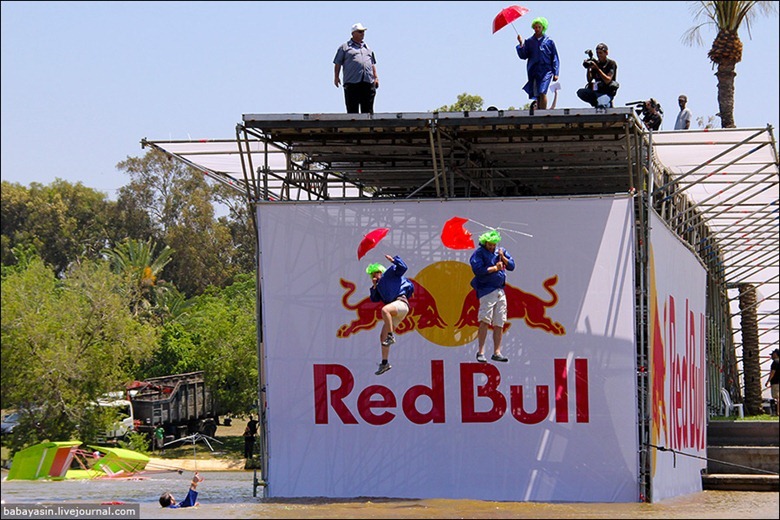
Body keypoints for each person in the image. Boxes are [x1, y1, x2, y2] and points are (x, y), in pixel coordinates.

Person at [469, 230, 516, 363]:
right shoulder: (479, 253)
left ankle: (497, 351)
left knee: (499, 321)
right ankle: (481, 351)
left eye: (494, 245)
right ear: (485, 243)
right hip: (487, 290)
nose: (492, 247)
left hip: (500, 290)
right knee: (485, 320)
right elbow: (478, 270)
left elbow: (512, 266)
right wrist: (495, 268)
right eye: (489, 244)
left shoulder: (500, 252)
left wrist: (503, 257)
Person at [367, 254, 415, 375]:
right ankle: (384, 363)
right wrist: (374, 286)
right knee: (382, 337)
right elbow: (374, 299)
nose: (374, 276)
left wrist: (394, 260)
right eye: (372, 275)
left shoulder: (389, 274)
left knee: (385, 310)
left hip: (401, 304)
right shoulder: (378, 287)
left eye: (376, 273)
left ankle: (390, 336)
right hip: (396, 312)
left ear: (380, 272)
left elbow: (403, 267)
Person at [333, 22, 379, 114]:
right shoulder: (345, 47)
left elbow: (372, 63)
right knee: (352, 108)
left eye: (363, 32)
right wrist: (336, 77)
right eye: (360, 32)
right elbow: (338, 63)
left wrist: (376, 77)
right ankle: (354, 127)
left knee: (368, 109)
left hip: (367, 81)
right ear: (353, 33)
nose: (362, 34)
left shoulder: (367, 48)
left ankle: (368, 127)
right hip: (352, 82)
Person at [515, 17, 560, 110]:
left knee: (543, 91)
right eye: (535, 27)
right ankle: (539, 111)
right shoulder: (529, 41)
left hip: (546, 70)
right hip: (534, 70)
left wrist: (556, 72)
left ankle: (543, 112)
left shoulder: (549, 41)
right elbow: (523, 55)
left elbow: (554, 57)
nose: (537, 29)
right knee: (537, 93)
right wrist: (520, 44)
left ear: (543, 28)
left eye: (539, 27)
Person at [576, 43, 618, 108]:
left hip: (606, 92)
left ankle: (605, 103)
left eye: (600, 53)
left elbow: (608, 80)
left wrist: (597, 68)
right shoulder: (596, 63)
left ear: (606, 53)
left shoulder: (611, 63)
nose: (599, 55)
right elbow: (589, 80)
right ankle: (596, 103)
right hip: (597, 91)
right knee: (581, 92)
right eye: (597, 53)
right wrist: (589, 68)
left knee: (603, 104)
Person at [766, 348, 780, 416]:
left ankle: (777, 412)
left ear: (775, 354)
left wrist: (768, 381)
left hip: (776, 382)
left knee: (777, 397)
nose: (771, 356)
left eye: (772, 354)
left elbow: (772, 373)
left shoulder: (775, 362)